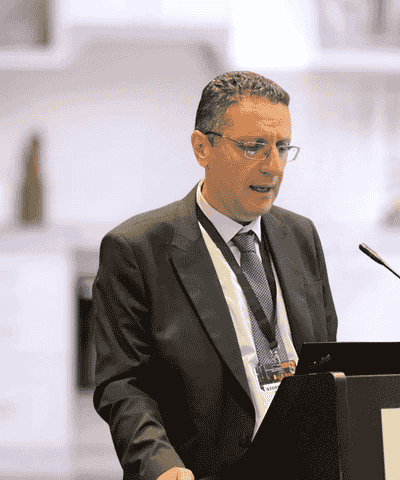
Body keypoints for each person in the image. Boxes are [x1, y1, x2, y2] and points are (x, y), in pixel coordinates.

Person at [92, 71, 338, 480]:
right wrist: (161, 465)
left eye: (281, 147)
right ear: (202, 147)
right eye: (253, 147)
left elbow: (326, 360)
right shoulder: (136, 250)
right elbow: (124, 383)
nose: (273, 166)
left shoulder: (301, 236)